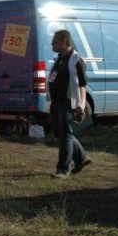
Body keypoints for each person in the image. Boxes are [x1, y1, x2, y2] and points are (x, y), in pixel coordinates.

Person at [48, 29, 92, 178]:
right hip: (56, 102)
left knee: (65, 134)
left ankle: (63, 170)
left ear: (64, 42)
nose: (52, 44)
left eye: (54, 42)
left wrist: (80, 106)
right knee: (60, 133)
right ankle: (82, 158)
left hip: (68, 103)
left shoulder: (76, 60)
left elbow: (82, 85)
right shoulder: (60, 58)